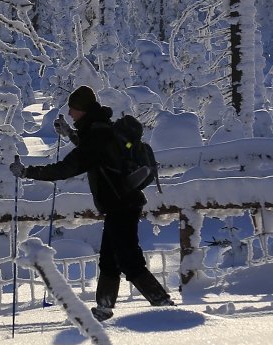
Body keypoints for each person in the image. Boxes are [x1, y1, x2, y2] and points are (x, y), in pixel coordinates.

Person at [10, 86, 174, 322]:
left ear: (83, 110)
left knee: (129, 260)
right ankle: (104, 308)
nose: (70, 112)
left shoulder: (97, 135)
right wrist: (69, 134)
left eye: (73, 109)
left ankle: (164, 305)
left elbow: (69, 167)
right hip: (121, 204)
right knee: (109, 259)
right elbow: (94, 152)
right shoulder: (100, 128)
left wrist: (27, 172)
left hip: (121, 205)